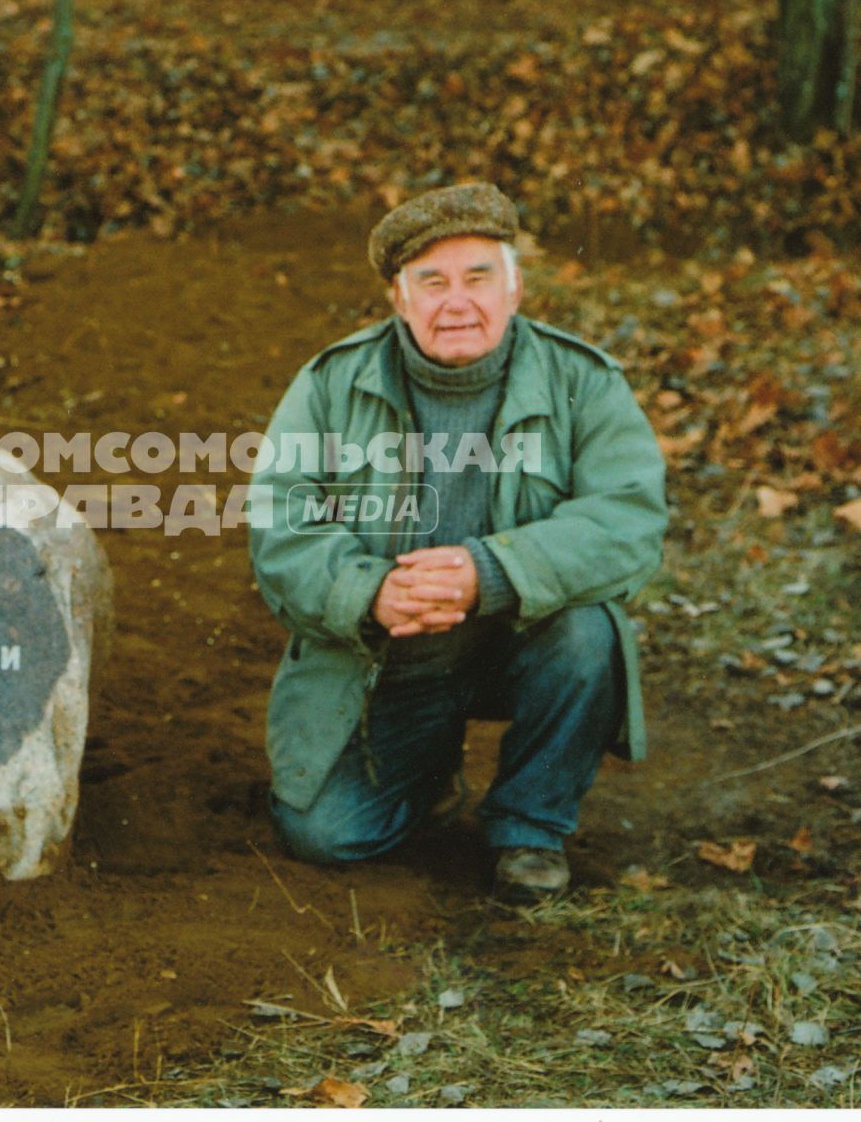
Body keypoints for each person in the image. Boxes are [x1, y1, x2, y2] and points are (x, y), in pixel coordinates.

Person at [247, 182, 668, 903]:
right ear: (398, 298)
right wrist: (368, 591)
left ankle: (530, 827)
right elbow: (282, 525)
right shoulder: (329, 385)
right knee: (326, 835)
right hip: (393, 653)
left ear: (515, 288)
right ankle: (430, 773)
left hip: (524, 638)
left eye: (479, 278)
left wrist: (491, 571)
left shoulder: (584, 382)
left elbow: (626, 519)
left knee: (587, 631)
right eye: (431, 282)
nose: (457, 303)